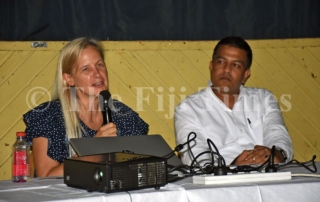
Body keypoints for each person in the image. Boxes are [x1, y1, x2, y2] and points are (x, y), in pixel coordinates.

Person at [24, 37, 149, 177]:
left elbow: (141, 170)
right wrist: (94, 148)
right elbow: (46, 177)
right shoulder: (49, 116)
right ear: (69, 79)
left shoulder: (124, 115)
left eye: (100, 65)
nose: (97, 74)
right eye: (86, 69)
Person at [175, 36, 293, 166]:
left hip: (267, 172)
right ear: (211, 66)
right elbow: (196, 159)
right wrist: (232, 167)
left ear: (245, 75)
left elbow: (278, 135)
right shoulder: (188, 109)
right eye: (221, 62)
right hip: (222, 182)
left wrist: (277, 154)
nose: (226, 69)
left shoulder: (264, 99)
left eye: (236, 65)